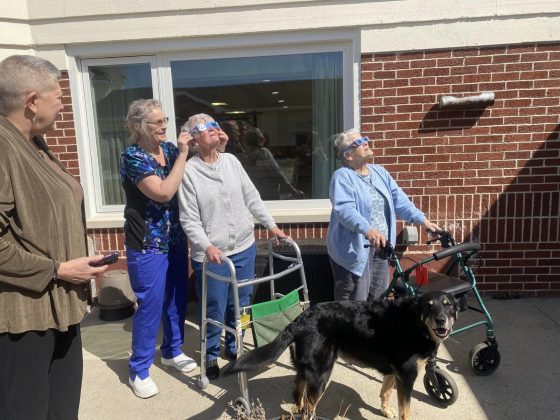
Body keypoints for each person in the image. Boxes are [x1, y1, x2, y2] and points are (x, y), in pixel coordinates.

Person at [0, 55, 111, 419]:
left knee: (62, 411)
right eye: (58, 97)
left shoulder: (35, 143)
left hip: (60, 309)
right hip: (23, 320)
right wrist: (58, 269)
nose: (63, 106)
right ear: (32, 102)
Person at [178, 113, 289, 380]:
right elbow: (189, 219)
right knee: (214, 306)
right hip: (213, 256)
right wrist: (206, 246)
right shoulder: (189, 172)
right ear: (193, 139)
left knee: (240, 303)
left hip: (244, 247)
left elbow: (252, 198)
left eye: (215, 124)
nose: (214, 128)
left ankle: (233, 346)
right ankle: (211, 354)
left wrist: (271, 225)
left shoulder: (231, 161)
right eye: (206, 127)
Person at [120, 99, 196, 399]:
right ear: (139, 126)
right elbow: (164, 193)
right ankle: (139, 368)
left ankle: (172, 351)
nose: (164, 126)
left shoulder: (167, 150)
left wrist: (216, 142)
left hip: (175, 239)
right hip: (147, 243)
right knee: (150, 305)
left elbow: (196, 163)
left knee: (176, 299)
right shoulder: (133, 157)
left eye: (165, 120)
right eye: (157, 122)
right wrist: (184, 155)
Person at [327, 128, 440, 302]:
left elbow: (399, 201)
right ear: (348, 155)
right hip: (355, 250)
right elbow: (345, 210)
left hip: (381, 246)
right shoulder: (342, 176)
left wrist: (422, 220)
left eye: (365, 139)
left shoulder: (380, 172)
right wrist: (368, 230)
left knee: (379, 301)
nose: (365, 142)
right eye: (359, 142)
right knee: (354, 304)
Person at [242, 127, 304, 200]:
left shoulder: (244, 155)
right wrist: (293, 190)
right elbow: (277, 173)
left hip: (251, 196)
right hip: (268, 195)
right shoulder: (263, 153)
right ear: (260, 139)